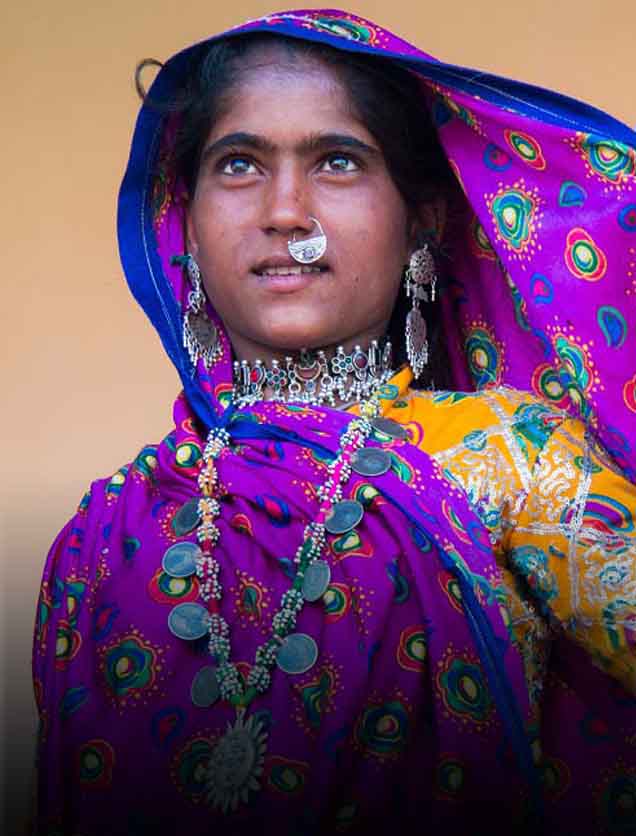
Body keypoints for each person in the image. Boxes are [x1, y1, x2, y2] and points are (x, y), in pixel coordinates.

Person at [33, 8, 636, 835]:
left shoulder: (510, 458)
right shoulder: (103, 537)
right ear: (189, 224)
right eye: (239, 164)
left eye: (338, 162)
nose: (286, 212)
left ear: (420, 220)